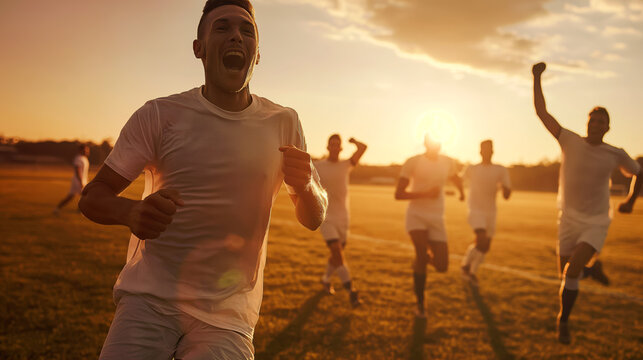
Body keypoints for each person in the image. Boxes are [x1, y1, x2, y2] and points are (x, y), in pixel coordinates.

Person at [79, 1, 328, 358]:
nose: (236, 38)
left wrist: (306, 187)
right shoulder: (159, 115)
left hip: (228, 316)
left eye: (247, 31)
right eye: (222, 28)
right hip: (149, 300)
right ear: (198, 48)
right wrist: (130, 213)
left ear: (257, 55)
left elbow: (314, 217)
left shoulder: (283, 122)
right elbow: (92, 197)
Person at [532, 61, 641, 344]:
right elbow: (542, 113)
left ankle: (563, 321)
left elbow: (640, 173)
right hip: (567, 219)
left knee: (571, 271)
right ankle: (593, 269)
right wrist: (536, 78)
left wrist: (630, 200)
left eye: (601, 122)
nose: (596, 125)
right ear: (587, 124)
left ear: (608, 128)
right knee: (567, 275)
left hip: (596, 222)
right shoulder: (569, 140)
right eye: (592, 120)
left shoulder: (615, 153)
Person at [395, 134, 464, 318]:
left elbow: (455, 177)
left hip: (437, 218)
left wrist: (462, 192)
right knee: (420, 253)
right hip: (416, 216)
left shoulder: (448, 162)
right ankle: (420, 305)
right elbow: (399, 194)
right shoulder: (413, 162)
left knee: (442, 265)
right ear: (425, 143)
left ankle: (420, 261)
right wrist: (425, 194)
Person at [313, 134, 367, 307]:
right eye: (332, 144)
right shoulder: (318, 166)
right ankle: (352, 291)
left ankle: (325, 279)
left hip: (343, 217)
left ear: (341, 148)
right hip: (326, 217)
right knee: (337, 251)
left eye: (338, 145)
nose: (335, 147)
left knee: (337, 255)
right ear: (328, 147)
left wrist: (354, 141)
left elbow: (363, 148)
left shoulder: (346, 165)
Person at [460, 140, 511, 286]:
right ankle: (466, 267)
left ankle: (470, 272)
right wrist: (460, 192)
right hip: (475, 210)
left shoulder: (500, 170)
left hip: (491, 212)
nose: (486, 151)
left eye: (489, 149)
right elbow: (459, 180)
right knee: (481, 240)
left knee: (485, 247)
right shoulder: (472, 169)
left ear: (493, 151)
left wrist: (506, 189)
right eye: (484, 149)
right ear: (480, 151)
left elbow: (507, 195)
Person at [54, 144, 89, 215]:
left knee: (75, 196)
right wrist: (81, 181)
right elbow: (77, 170)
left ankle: (78, 210)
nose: (87, 151)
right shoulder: (78, 158)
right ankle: (58, 208)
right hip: (78, 181)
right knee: (82, 196)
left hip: (82, 180)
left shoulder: (84, 159)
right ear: (81, 150)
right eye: (86, 150)